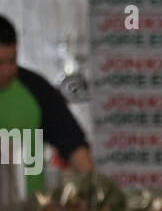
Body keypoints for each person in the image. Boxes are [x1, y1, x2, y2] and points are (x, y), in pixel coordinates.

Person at [0, 15, 93, 195]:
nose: (7, 70)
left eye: (12, 61)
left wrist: (96, 192)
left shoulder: (35, 88)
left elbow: (73, 145)